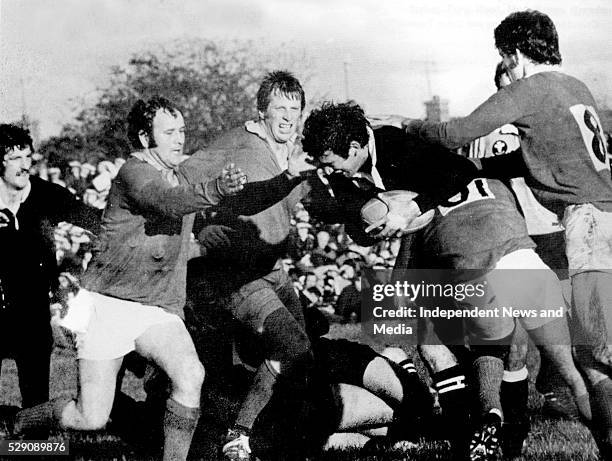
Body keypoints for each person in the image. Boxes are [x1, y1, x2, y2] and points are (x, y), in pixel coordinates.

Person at [301, 101, 590, 461]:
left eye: (331, 160)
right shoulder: (351, 169)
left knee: (449, 339)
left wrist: (414, 207)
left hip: (461, 237)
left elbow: (456, 171)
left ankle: (482, 427)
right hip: (489, 239)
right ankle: (492, 429)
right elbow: (365, 223)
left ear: (356, 149)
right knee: (493, 344)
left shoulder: (397, 147)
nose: (328, 169)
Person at [386, 10, 612, 457]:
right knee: (590, 359)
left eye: (504, 60)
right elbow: (529, 162)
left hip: (589, 225)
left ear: (512, 54)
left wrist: (408, 126)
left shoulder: (530, 87)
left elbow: (453, 133)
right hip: (603, 213)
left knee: (595, 360)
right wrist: (474, 169)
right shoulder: (575, 86)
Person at [11, 96, 247, 461]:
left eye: (181, 130)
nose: (179, 139)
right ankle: (21, 424)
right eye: (168, 132)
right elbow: (168, 201)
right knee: (90, 418)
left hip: (154, 308)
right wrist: (216, 189)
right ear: (143, 137)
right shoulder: (133, 172)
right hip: (106, 306)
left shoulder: (180, 170)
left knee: (190, 375)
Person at [179, 70, 318, 461]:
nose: (289, 117)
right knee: (290, 346)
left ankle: (268, 438)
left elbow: (285, 208)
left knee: (299, 359)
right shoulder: (235, 143)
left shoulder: (293, 153)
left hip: (274, 271)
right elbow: (182, 182)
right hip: (236, 276)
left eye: (295, 108)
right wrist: (201, 230)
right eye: (280, 108)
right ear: (261, 111)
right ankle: (239, 436)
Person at [0, 124, 100, 435]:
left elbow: (96, 222)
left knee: (36, 405)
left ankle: (32, 447)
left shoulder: (45, 194)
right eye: (14, 158)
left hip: (31, 308)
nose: (24, 165)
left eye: (27, 156)